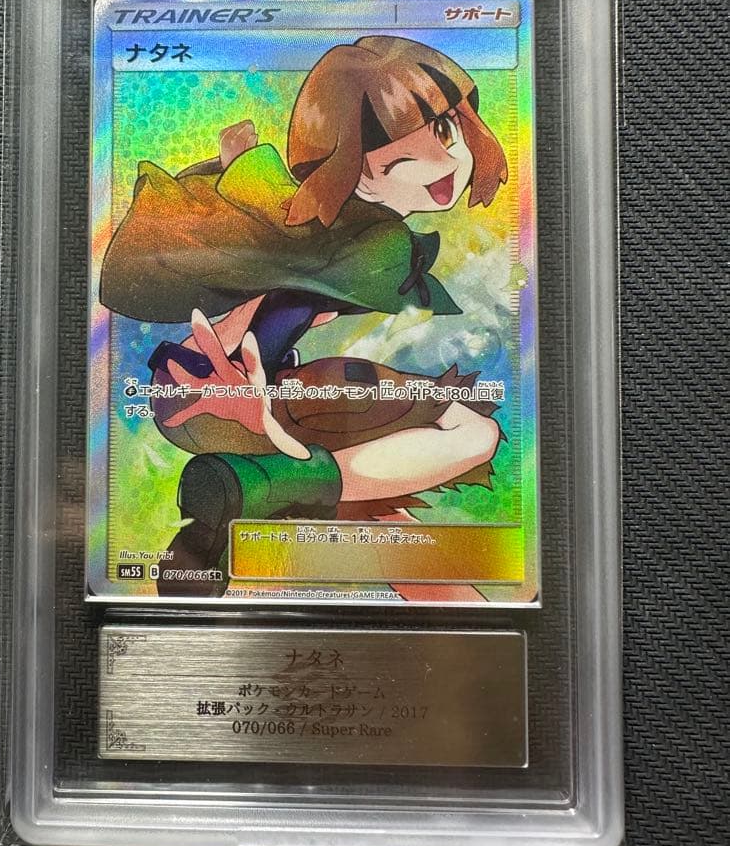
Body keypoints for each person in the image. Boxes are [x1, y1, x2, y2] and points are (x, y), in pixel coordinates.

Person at [100, 35, 508, 596]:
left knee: (379, 513)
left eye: (445, 130)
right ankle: (269, 482)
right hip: (214, 390)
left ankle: (224, 532)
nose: (446, 161)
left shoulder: (337, 225)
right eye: (400, 153)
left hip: (226, 391)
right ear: (348, 159)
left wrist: (239, 173)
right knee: (473, 431)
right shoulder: (367, 240)